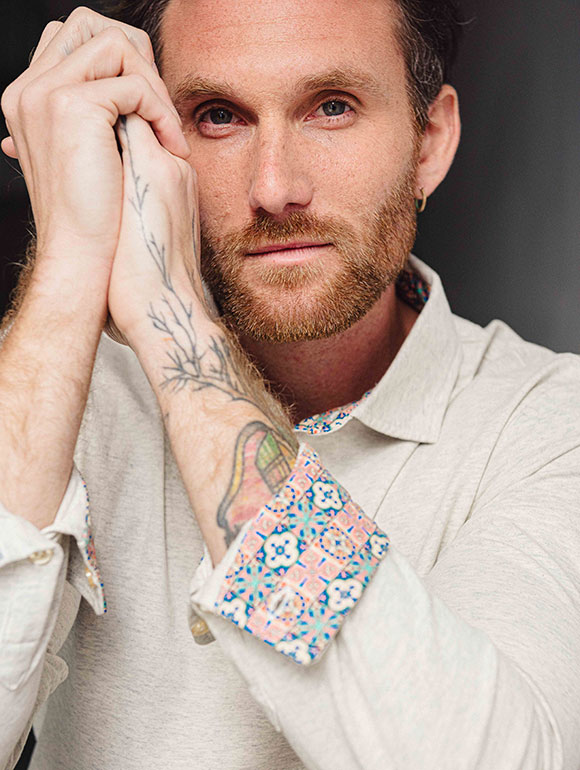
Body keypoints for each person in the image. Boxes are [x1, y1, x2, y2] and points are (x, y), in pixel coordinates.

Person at [0, 0, 579, 768]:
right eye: (218, 117)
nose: (274, 187)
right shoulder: (57, 382)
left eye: (332, 107)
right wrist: (71, 262)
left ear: (430, 141)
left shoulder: (549, 427)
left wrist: (173, 319)